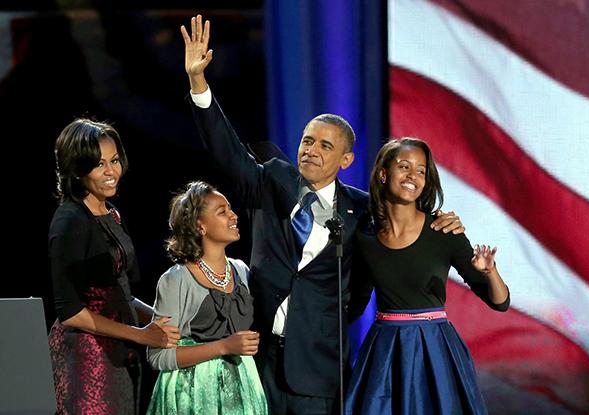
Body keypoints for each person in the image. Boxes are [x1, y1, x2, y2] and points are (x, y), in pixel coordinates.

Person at [180, 16, 464, 414]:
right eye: (307, 140)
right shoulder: (272, 181)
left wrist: (441, 223)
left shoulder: (363, 208)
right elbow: (226, 151)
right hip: (255, 358)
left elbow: (382, 256)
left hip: (319, 367)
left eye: (325, 146)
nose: (311, 150)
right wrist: (199, 84)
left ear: (346, 159)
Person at [345, 138, 510, 414]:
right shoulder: (364, 237)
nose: (413, 176)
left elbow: (499, 302)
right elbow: (356, 303)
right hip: (385, 353)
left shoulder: (443, 231)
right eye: (404, 166)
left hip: (435, 349)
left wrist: (491, 272)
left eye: (421, 171)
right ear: (384, 174)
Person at [48, 118, 181, 415]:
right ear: (77, 168)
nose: (111, 172)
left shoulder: (111, 214)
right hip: (86, 359)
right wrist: (141, 335)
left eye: (115, 160)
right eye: (99, 165)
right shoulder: (69, 221)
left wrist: (165, 321)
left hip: (120, 354)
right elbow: (70, 313)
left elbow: (121, 293)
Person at [146, 181, 268, 414]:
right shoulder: (176, 280)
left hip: (242, 389)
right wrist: (224, 346)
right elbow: (158, 356)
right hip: (193, 393)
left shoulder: (241, 271)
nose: (233, 216)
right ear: (200, 226)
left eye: (230, 209)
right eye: (222, 212)